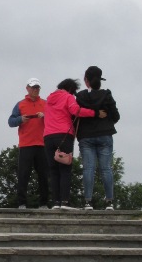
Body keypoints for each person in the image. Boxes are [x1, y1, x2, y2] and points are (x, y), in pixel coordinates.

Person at [44, 78, 105, 210]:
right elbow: (76, 111)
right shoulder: (68, 97)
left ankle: (56, 202)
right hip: (63, 135)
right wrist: (94, 113)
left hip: (48, 136)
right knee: (65, 169)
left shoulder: (48, 100)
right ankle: (65, 202)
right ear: (71, 89)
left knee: (53, 171)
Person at [76, 65, 120, 210]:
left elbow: (76, 114)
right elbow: (116, 116)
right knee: (106, 168)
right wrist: (106, 121)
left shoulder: (80, 96)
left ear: (86, 80)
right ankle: (109, 202)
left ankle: (88, 201)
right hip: (105, 134)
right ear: (100, 80)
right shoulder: (107, 95)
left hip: (86, 136)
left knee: (88, 168)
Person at [8, 78, 49, 209]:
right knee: (23, 175)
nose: (35, 90)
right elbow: (10, 122)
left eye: (37, 87)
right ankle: (21, 203)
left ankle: (44, 203)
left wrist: (45, 116)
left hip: (42, 144)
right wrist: (20, 119)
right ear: (27, 88)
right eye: (33, 87)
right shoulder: (20, 104)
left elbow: (55, 119)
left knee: (43, 175)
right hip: (26, 144)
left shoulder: (46, 104)